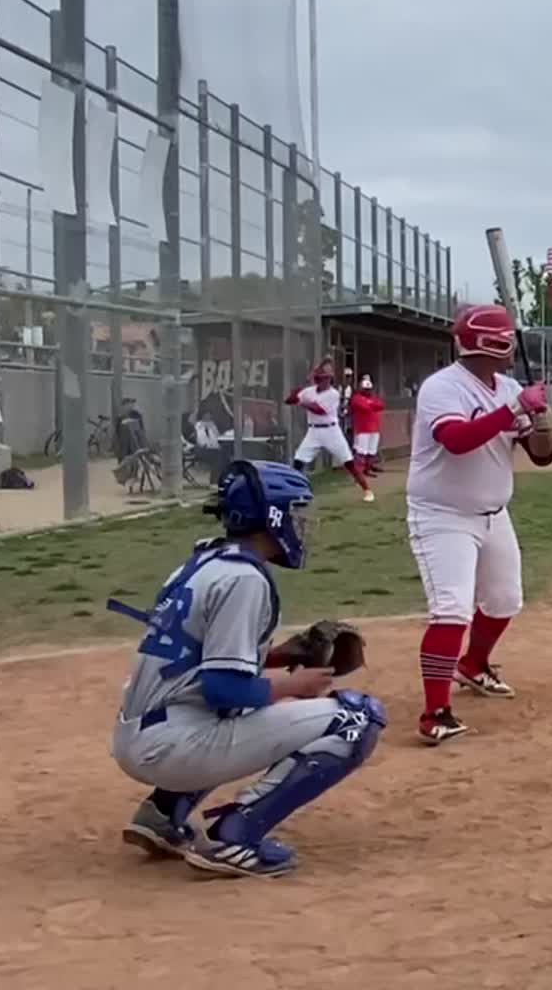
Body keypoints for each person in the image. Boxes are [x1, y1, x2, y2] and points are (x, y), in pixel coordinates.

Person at [108, 460, 387, 878]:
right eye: (294, 511)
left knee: (240, 701)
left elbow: (200, 659)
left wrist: (278, 656)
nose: (300, 521)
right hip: (172, 745)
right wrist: (292, 685)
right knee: (357, 718)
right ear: (270, 515)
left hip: (144, 732)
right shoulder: (245, 579)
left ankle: (163, 814)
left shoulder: (204, 562)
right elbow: (223, 688)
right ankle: (233, 836)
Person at [405, 304, 552, 746]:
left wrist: (540, 422)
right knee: (451, 608)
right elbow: (456, 441)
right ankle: (434, 713)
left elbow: (542, 456)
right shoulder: (442, 388)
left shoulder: (508, 386)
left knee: (505, 600)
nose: (512, 345)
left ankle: (473, 665)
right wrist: (513, 408)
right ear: (493, 343)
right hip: (442, 515)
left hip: (493, 513)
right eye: (506, 337)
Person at [285, 360, 372, 502]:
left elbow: (319, 410)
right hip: (313, 432)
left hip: (331, 431)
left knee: (348, 462)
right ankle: (296, 492)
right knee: (298, 461)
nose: (322, 381)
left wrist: (301, 401)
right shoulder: (309, 391)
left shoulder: (333, 394)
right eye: (319, 378)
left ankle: (367, 490)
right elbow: (288, 401)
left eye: (325, 378)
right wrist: (295, 395)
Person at [348, 374, 386, 477]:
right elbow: (365, 407)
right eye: (365, 389)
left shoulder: (373, 398)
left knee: (372, 450)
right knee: (361, 450)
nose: (367, 391)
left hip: (374, 428)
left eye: (369, 389)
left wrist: (370, 403)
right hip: (363, 428)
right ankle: (358, 471)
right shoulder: (356, 398)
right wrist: (371, 404)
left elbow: (380, 405)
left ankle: (367, 469)